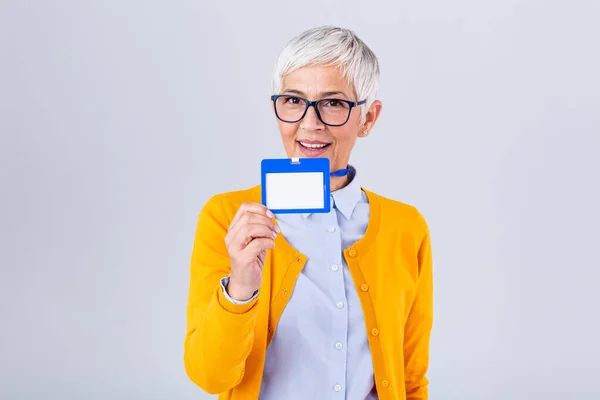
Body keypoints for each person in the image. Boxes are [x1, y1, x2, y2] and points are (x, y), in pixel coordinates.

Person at [184, 25, 434, 400]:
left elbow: (411, 381)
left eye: (333, 103)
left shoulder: (406, 227)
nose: (310, 123)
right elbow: (211, 377)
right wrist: (240, 287)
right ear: (276, 109)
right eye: (293, 100)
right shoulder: (227, 218)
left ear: (368, 118)